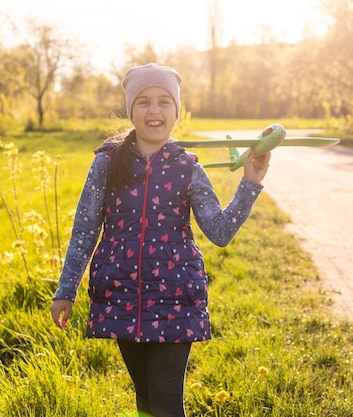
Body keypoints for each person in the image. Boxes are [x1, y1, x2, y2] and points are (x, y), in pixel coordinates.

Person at [50, 63, 271, 417]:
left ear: (176, 111)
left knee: (167, 401)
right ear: (131, 110)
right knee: (146, 399)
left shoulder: (187, 166)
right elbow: (85, 228)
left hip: (175, 297)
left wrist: (250, 183)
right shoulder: (108, 163)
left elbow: (219, 230)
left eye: (165, 102)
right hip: (119, 295)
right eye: (144, 102)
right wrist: (66, 289)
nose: (154, 110)